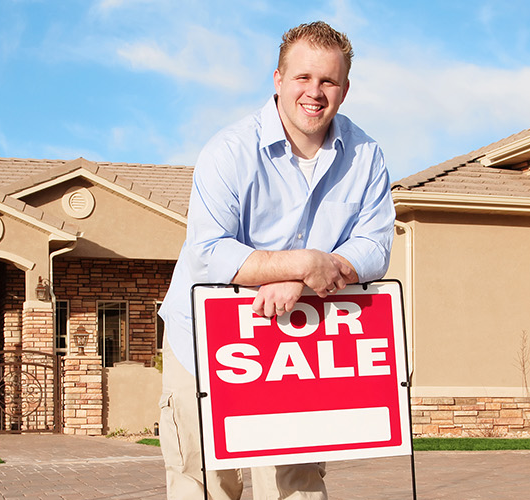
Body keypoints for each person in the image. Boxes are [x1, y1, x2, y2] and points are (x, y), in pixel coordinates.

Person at [156, 20, 395, 500]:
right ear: (278, 80)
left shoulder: (366, 156)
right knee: (203, 481)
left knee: (295, 482)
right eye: (303, 78)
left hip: (296, 343)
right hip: (201, 341)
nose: (315, 92)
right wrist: (302, 263)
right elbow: (208, 253)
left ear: (344, 90)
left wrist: (302, 281)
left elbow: (374, 247)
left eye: (328, 81)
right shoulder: (229, 151)